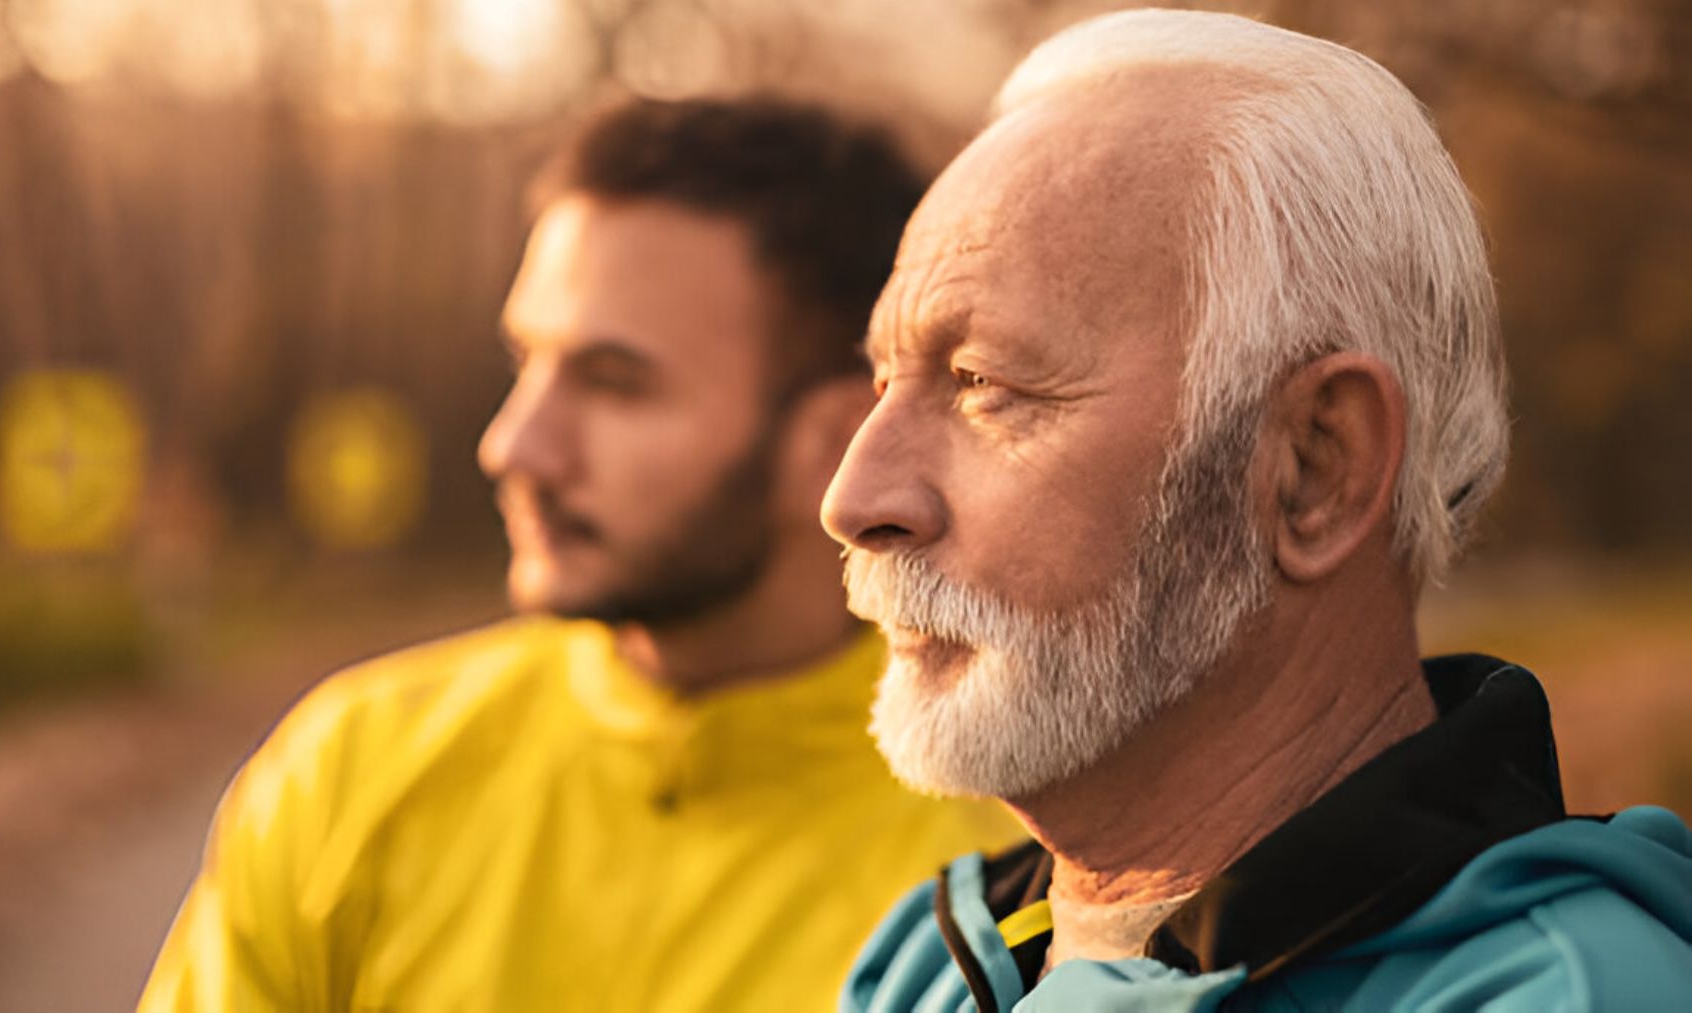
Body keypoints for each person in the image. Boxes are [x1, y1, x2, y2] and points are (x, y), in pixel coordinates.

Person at [823, 10, 1692, 1011]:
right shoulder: (934, 961)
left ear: (1313, 469)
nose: (855, 498)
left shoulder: (1565, 993)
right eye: (885, 382)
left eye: (984, 383)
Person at [141, 97, 1018, 1012]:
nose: (514, 445)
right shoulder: (352, 770)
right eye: (527, 362)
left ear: (842, 439)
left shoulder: (1012, 878)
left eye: (613, 384)